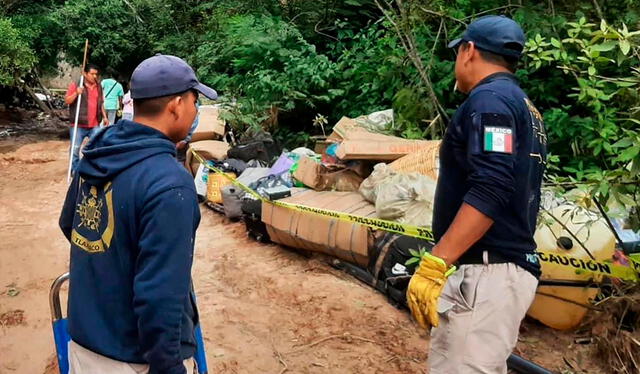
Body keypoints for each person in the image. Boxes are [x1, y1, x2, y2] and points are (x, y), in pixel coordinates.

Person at [405, 15, 547, 373]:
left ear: (468, 51)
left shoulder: (490, 103)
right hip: (496, 272)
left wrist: (438, 261)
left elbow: (491, 186)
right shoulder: (523, 107)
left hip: (486, 273)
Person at [59, 54, 218, 374]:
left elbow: (71, 225)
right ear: (176, 104)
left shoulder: (99, 152)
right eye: (194, 101)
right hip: (133, 360)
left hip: (84, 345)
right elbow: (160, 299)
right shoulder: (169, 183)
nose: (196, 110)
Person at [65, 63, 110, 174]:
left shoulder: (98, 86)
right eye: (92, 74)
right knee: (75, 149)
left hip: (94, 124)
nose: (94, 76)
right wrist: (76, 93)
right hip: (79, 124)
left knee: (99, 146)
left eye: (96, 74)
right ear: (85, 73)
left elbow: (101, 103)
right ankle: (75, 170)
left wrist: (105, 117)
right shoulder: (76, 85)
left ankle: (94, 168)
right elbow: (67, 101)